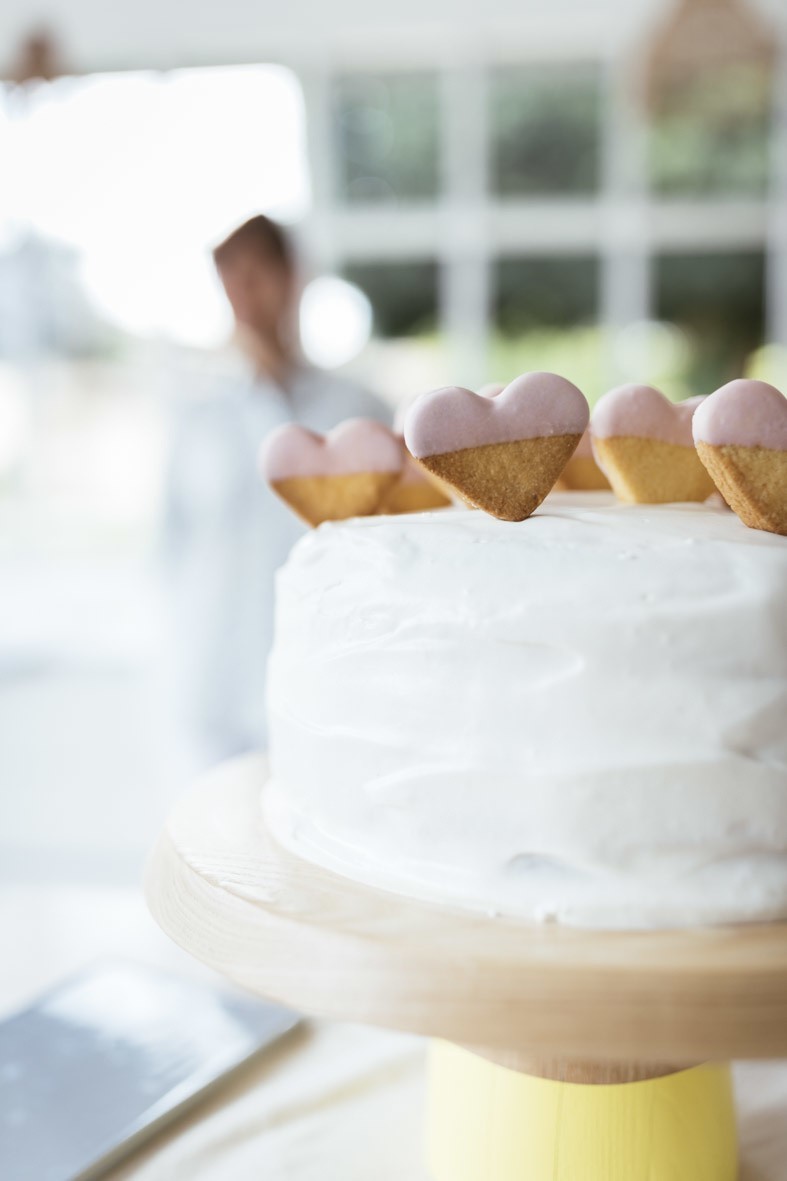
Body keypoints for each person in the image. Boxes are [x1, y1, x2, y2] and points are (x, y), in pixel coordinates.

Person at [163, 215, 388, 766]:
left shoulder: (357, 411)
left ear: (294, 277)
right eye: (230, 276)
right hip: (216, 680)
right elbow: (170, 551)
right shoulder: (198, 417)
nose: (244, 291)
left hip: (329, 679)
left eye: (258, 271)